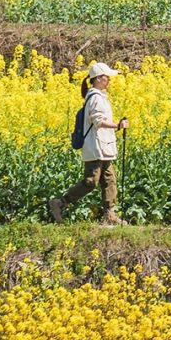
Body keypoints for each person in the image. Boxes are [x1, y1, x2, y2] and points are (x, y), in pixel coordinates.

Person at [47, 62, 128, 225]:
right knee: (91, 181)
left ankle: (110, 214)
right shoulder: (95, 98)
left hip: (103, 146)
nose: (109, 80)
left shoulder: (99, 96)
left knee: (109, 179)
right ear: (98, 79)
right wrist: (118, 125)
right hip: (95, 147)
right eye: (106, 77)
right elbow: (98, 121)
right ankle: (60, 203)